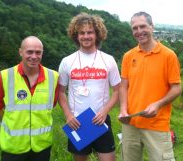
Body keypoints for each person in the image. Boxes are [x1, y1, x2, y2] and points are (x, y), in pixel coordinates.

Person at [118, 11, 182, 161]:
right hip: (130, 123)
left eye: (143, 26)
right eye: (135, 28)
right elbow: (123, 86)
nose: (139, 31)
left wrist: (158, 104)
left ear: (152, 27)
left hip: (157, 123)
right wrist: (123, 109)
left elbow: (176, 88)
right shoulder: (128, 56)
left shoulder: (168, 55)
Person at [58, 13, 121, 161]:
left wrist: (105, 111)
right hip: (77, 122)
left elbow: (118, 90)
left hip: (101, 120)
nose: (86, 36)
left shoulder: (108, 60)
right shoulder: (67, 61)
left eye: (90, 32)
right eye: (82, 33)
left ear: (97, 34)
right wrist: (68, 116)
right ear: (76, 35)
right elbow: (60, 92)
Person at [0, 36, 59, 161]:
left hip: (42, 146)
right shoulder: (5, 76)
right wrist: (10, 122)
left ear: (42, 53)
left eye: (38, 52)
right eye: (29, 52)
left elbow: (52, 105)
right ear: (20, 52)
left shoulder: (53, 77)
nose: (34, 56)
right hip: (13, 147)